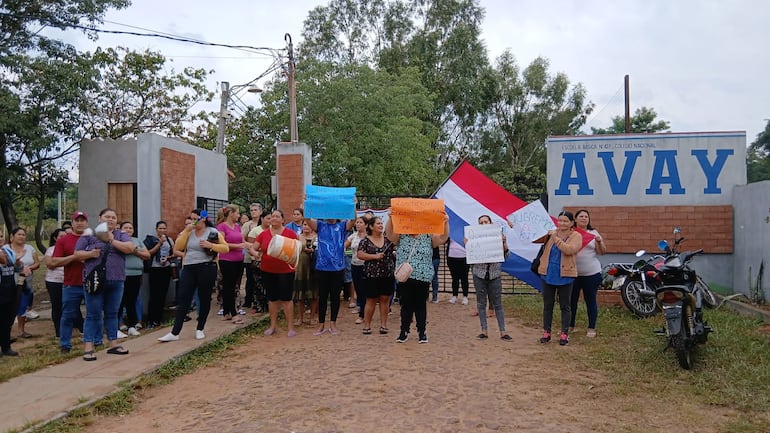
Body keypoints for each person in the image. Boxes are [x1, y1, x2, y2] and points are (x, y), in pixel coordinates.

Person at [76, 208, 137, 360]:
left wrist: (111, 240)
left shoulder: (121, 235)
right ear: (99, 218)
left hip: (116, 280)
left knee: (112, 313)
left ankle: (113, 344)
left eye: (113, 217)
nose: (110, 219)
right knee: (93, 314)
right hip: (95, 280)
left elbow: (129, 248)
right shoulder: (89, 234)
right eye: (107, 217)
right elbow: (77, 254)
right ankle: (89, 346)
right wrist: (90, 254)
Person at [158, 209, 228, 342]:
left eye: (195, 218)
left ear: (203, 219)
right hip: (189, 267)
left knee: (204, 297)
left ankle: (200, 328)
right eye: (191, 218)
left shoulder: (213, 232)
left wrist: (211, 245)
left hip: (206, 267)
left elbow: (225, 248)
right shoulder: (188, 233)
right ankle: (175, 332)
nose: (193, 221)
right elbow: (177, 247)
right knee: (183, 297)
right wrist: (186, 231)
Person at [386, 208, 450, 344]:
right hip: (406, 276)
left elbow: (442, 238)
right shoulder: (401, 234)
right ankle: (404, 331)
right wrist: (391, 218)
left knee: (421, 304)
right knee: (406, 304)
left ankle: (422, 331)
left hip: (423, 275)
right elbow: (390, 235)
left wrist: (445, 223)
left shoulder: (427, 235)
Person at [248, 209, 298, 337]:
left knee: (287, 299)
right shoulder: (263, 234)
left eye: (277, 216)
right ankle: (273, 326)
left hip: (286, 271)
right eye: (272, 217)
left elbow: (297, 250)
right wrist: (257, 255)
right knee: (272, 298)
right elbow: (253, 248)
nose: (274, 219)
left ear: (282, 220)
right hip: (268, 270)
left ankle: (290, 327)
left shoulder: (290, 233)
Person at [534, 211, 582, 346]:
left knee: (565, 306)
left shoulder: (576, 236)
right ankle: (546, 332)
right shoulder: (551, 233)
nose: (562, 223)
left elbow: (569, 250)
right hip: (548, 273)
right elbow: (534, 239)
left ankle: (564, 333)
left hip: (565, 275)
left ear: (572, 223)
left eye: (566, 221)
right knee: (547, 305)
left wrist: (555, 238)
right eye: (560, 220)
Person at [306, 216, 356, 336]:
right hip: (322, 268)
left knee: (335, 297)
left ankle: (333, 323)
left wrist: (354, 205)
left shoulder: (342, 225)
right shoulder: (320, 225)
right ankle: (321, 324)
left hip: (338, 268)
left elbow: (353, 220)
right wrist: (305, 203)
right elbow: (307, 219)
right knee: (322, 297)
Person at [466, 215, 512, 341]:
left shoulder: (498, 236)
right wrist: (469, 246)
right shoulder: (474, 237)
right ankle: (484, 331)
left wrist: (503, 242)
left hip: (494, 273)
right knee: (481, 303)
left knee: (498, 303)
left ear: (491, 223)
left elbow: (506, 255)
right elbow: (470, 259)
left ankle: (503, 331)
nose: (484, 224)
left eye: (486, 221)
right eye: (481, 222)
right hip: (479, 274)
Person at [49, 211, 89, 353]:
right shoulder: (63, 240)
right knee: (67, 315)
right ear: (72, 223)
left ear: (87, 223)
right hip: (71, 284)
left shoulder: (93, 239)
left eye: (82, 220)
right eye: (76, 220)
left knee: (93, 314)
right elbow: (54, 261)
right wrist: (74, 257)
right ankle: (65, 344)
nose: (79, 223)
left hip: (91, 283)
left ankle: (95, 341)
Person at [570, 209, 606, 338]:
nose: (584, 218)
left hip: (591, 273)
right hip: (573, 273)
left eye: (586, 216)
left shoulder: (593, 233)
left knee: (590, 300)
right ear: (575, 219)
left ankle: (591, 327)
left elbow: (602, 252)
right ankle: (570, 325)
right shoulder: (571, 233)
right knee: (571, 301)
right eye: (581, 216)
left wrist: (599, 241)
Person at [357, 216, 396, 335]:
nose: (380, 225)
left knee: (385, 299)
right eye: (378, 223)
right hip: (371, 275)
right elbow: (360, 254)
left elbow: (394, 248)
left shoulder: (388, 240)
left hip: (387, 275)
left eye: (381, 223)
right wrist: (374, 256)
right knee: (371, 300)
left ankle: (383, 325)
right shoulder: (365, 241)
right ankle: (367, 325)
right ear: (371, 226)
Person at [216, 204, 248, 324]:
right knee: (229, 287)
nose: (239, 215)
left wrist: (251, 247)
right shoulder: (221, 227)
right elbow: (222, 243)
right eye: (237, 213)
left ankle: (226, 312)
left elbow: (243, 241)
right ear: (231, 214)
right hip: (227, 260)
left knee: (234, 286)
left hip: (239, 260)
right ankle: (233, 313)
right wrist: (239, 246)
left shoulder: (237, 226)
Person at [118, 222, 150, 336]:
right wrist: (132, 249)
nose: (128, 229)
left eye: (130, 228)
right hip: (122, 274)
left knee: (131, 301)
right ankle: (117, 327)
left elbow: (147, 255)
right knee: (120, 301)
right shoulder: (118, 240)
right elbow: (125, 251)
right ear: (121, 229)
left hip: (136, 274)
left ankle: (132, 325)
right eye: (125, 227)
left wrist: (136, 251)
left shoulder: (137, 240)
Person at [144, 221, 177, 328]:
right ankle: (151, 320)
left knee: (163, 294)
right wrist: (159, 244)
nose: (162, 231)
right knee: (154, 295)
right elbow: (148, 253)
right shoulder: (151, 239)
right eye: (160, 229)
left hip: (166, 268)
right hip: (155, 269)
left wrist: (168, 258)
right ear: (156, 229)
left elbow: (174, 253)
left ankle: (159, 319)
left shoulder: (169, 240)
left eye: (164, 228)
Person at [8, 228, 39, 339]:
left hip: (27, 281)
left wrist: (29, 267)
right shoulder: (6, 249)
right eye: (19, 234)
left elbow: (37, 263)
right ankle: (7, 331)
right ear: (12, 236)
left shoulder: (30, 248)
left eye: (23, 234)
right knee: (9, 305)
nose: (21, 236)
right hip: (10, 281)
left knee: (23, 304)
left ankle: (21, 330)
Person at [293, 220, 318, 326]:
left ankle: (312, 317)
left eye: (308, 224)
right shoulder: (297, 237)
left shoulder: (317, 237)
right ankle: (300, 318)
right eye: (304, 224)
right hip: (300, 268)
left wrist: (314, 251)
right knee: (300, 294)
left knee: (314, 294)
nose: (306, 227)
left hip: (313, 268)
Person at [0, 231, 19, 356]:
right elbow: (3, 261)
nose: (0, 238)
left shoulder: (7, 250)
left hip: (9, 288)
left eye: (1, 236)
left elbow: (14, 264)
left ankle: (6, 347)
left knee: (6, 320)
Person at [345, 216, 367, 324]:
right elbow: (344, 246)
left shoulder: (369, 237)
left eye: (361, 222)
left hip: (366, 266)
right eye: (357, 222)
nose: (358, 224)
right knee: (358, 289)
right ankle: (362, 308)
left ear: (366, 225)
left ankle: (362, 314)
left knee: (364, 290)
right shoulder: (353, 236)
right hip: (354, 265)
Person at [241, 203, 263, 309]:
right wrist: (250, 246)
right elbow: (242, 238)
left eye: (255, 210)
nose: (253, 212)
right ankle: (248, 300)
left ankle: (259, 301)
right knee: (250, 279)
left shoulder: (264, 224)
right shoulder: (247, 225)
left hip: (261, 256)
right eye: (251, 210)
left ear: (260, 211)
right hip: (249, 255)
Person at [44, 229, 66, 338]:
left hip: (67, 281)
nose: (64, 238)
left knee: (67, 306)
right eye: (61, 236)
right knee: (57, 306)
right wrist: (67, 260)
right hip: (54, 281)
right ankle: (59, 331)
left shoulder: (70, 249)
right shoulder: (51, 250)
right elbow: (50, 264)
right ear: (55, 238)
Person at [447, 239, 470, 305]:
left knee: (464, 278)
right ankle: (455, 296)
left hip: (464, 257)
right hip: (452, 257)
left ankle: (465, 296)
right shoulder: (451, 230)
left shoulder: (465, 229)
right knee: (454, 278)